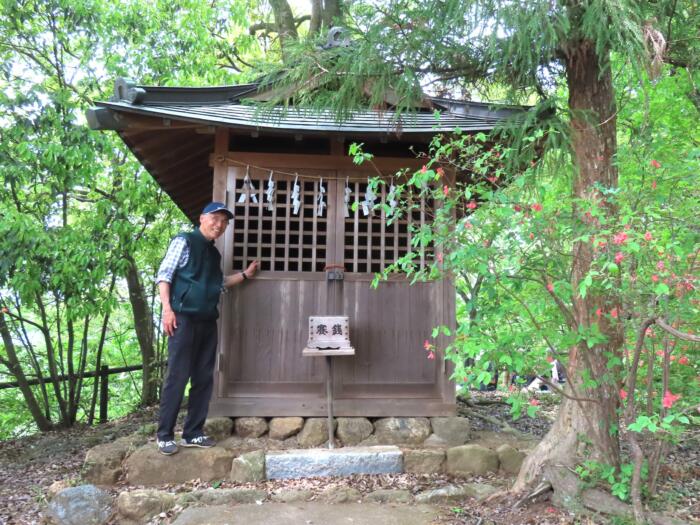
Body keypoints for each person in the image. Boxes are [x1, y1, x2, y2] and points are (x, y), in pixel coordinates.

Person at [155, 202, 259, 455]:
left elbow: (218, 284)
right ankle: (164, 435)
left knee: (203, 377)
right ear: (202, 218)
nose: (219, 225)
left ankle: (193, 432)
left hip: (207, 320)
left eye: (224, 221)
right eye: (215, 218)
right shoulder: (185, 241)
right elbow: (164, 275)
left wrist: (245, 275)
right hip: (182, 319)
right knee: (178, 376)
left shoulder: (214, 254)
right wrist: (167, 310)